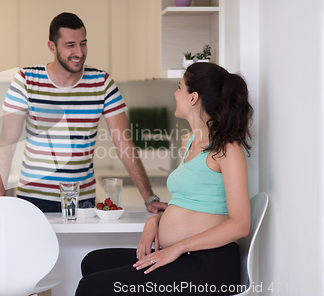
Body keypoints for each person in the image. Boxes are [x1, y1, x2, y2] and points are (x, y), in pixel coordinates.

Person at [76, 62, 254, 295]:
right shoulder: (188, 141)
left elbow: (240, 225)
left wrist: (178, 248)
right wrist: (156, 222)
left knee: (91, 287)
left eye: (179, 87)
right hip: (183, 254)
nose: (175, 93)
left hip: (209, 264)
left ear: (193, 98)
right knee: (92, 262)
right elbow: (194, 204)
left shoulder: (227, 148)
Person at [0, 12, 167, 213]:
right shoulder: (26, 80)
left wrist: (149, 198)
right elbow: (7, 143)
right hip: (33, 200)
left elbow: (123, 143)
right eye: (70, 45)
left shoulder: (101, 83)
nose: (79, 52)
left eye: (83, 43)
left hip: (81, 201)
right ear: (52, 47)